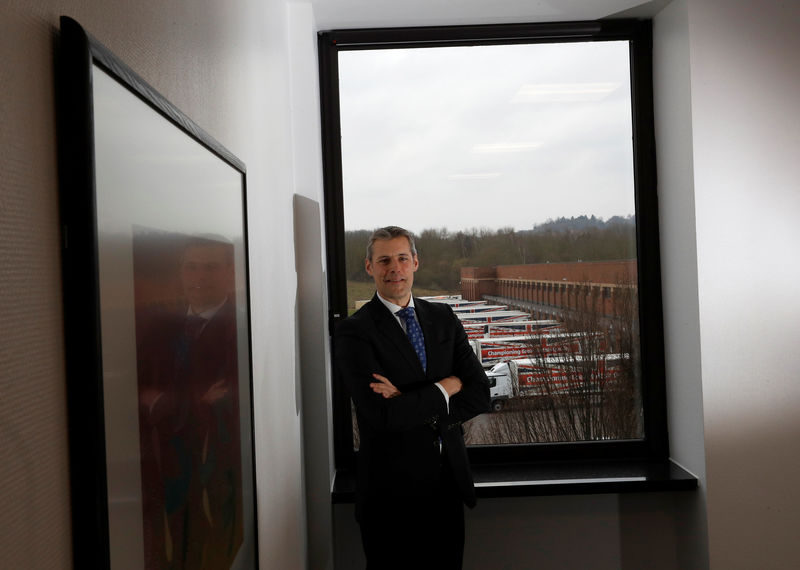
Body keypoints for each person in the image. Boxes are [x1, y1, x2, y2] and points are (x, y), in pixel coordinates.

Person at [335, 226, 490, 569]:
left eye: (402, 258)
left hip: (447, 489)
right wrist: (445, 387)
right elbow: (382, 416)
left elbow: (479, 393)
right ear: (369, 267)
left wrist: (408, 400)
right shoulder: (354, 332)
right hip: (389, 497)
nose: (395, 267)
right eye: (385, 260)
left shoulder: (442, 318)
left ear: (415, 262)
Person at [136, 235, 243, 569]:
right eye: (191, 267)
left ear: (230, 273)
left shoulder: (242, 329)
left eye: (210, 268)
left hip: (216, 473)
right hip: (156, 469)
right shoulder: (155, 327)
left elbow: (228, 400)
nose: (199, 277)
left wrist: (163, 403)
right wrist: (195, 400)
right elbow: (134, 393)